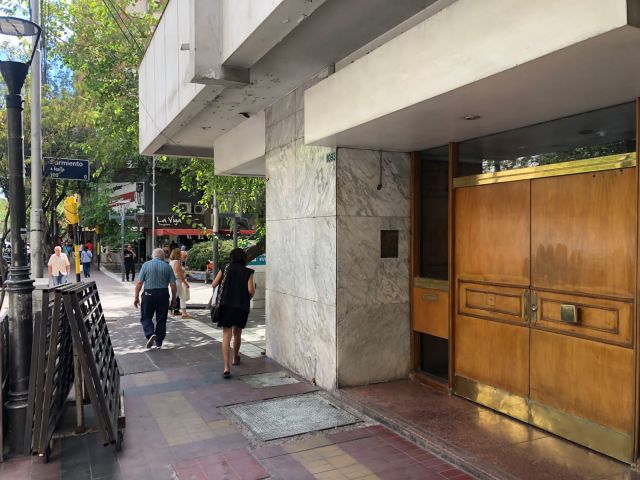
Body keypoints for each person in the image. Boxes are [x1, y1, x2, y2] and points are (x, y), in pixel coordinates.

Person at [211, 248, 255, 378]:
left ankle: (226, 367)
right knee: (237, 333)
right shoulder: (248, 272)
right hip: (241, 306)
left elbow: (214, 284)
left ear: (231, 257)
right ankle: (235, 358)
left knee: (226, 334)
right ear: (244, 258)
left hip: (225, 305)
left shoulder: (225, 268)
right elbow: (251, 291)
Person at [134, 248, 177, 349]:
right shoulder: (168, 267)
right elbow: (173, 285)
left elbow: (139, 283)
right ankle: (159, 342)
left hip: (148, 294)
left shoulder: (146, 265)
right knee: (161, 318)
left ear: (153, 256)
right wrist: (174, 299)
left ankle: (150, 333)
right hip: (163, 294)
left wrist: (136, 296)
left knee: (146, 316)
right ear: (163, 257)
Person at [169, 248, 191, 319]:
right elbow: (178, 273)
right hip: (177, 281)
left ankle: (184, 313)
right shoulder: (177, 262)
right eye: (180, 253)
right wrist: (185, 282)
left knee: (182, 297)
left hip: (176, 281)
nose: (181, 255)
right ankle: (169, 311)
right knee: (175, 297)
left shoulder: (172, 261)